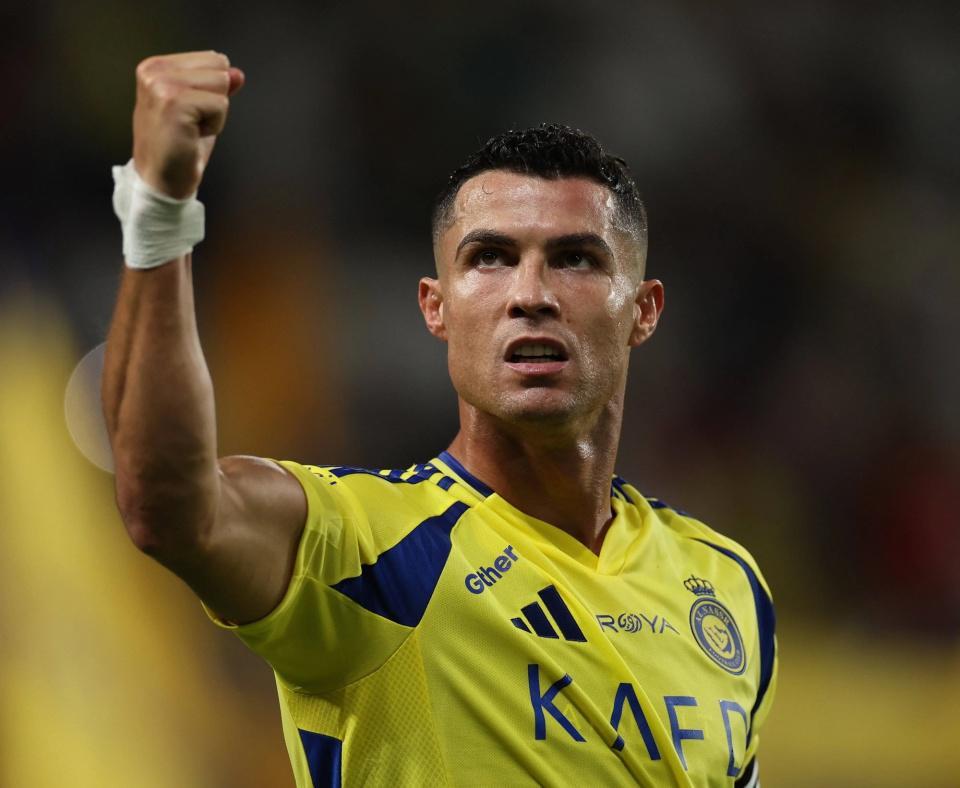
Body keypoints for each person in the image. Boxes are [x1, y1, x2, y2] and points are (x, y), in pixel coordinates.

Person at [103, 50, 777, 788]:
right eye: (490, 258)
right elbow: (168, 504)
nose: (531, 294)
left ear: (643, 311)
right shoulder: (371, 550)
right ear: (436, 308)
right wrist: (160, 207)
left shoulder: (726, 583)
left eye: (575, 259)